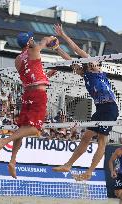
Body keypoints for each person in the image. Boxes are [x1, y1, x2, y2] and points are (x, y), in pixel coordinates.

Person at [52, 24, 119, 180]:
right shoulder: (85, 74)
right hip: (100, 109)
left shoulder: (95, 67)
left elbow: (76, 49)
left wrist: (63, 35)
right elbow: (69, 60)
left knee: (102, 140)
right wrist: (56, 48)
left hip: (110, 108)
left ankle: (89, 171)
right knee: (86, 137)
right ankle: (68, 164)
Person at [0, 31, 58, 178]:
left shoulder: (17, 59)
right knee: (35, 129)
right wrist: (54, 39)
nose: (34, 41)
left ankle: (12, 160)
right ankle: (4, 140)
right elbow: (46, 40)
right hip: (37, 95)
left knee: (22, 130)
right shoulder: (34, 50)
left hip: (28, 94)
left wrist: (45, 76)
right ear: (29, 42)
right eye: (32, 39)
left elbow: (30, 76)